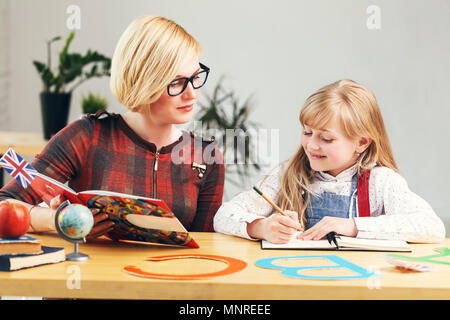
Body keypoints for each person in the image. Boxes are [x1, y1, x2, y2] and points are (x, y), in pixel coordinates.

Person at [0, 15, 224, 239]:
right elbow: (4, 205)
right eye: (176, 82)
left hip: (174, 273)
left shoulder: (206, 156)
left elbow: (205, 249)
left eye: (195, 77)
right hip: (95, 273)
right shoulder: (86, 136)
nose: (192, 93)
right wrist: (57, 220)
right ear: (143, 81)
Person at [214, 79, 445, 244]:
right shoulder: (287, 174)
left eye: (326, 138)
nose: (311, 145)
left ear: (361, 143)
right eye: (307, 132)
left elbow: (432, 227)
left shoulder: (380, 181)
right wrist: (260, 227)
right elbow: (223, 216)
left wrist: (353, 226)